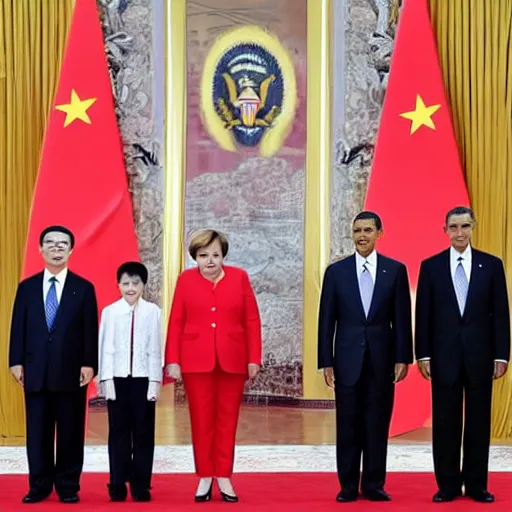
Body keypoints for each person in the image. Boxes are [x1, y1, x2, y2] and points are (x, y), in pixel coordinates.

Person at [415, 206, 510, 503]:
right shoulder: (431, 267)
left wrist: (501, 355)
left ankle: (477, 485)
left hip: (481, 357)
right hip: (443, 358)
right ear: (445, 230)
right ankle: (447, 485)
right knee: (445, 422)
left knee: (479, 422)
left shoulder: (491, 265)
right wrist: (424, 355)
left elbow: (500, 315)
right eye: (454, 227)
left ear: (473, 227)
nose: (459, 233)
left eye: (465, 226)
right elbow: (424, 315)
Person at [318, 211, 413, 503]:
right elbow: (326, 321)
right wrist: (326, 361)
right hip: (346, 361)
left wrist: (403, 358)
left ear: (379, 233)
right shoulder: (336, 272)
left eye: (368, 230)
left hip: (382, 361)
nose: (362, 236)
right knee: (347, 425)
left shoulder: (395, 270)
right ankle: (347, 486)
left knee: (376, 424)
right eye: (357, 230)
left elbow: (401, 319)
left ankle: (373, 484)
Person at [165, 229, 262, 502]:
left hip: (233, 359)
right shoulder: (185, 280)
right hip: (196, 360)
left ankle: (224, 475)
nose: (210, 261)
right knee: (202, 420)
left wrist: (253, 358)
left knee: (227, 420)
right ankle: (205, 476)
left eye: (215, 255)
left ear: (224, 256)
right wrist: (173, 360)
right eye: (203, 255)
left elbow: (252, 320)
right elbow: (176, 321)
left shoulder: (239, 278)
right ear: (195, 257)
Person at [9, 225, 98, 504]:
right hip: (35, 371)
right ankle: (39, 486)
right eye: (50, 243)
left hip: (72, 372)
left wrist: (89, 363)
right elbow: (18, 327)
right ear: (40, 249)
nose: (56, 248)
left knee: (71, 432)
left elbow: (89, 330)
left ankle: (68, 486)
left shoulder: (83, 288)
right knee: (38, 433)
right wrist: (15, 361)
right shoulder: (27, 288)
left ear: (71, 250)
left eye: (63, 244)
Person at [97, 261, 162, 502]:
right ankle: (116, 482)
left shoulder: (153, 312)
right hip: (118, 378)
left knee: (144, 432)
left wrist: (155, 380)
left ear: (144, 285)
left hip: (143, 379)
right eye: (126, 283)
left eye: (136, 283)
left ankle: (141, 484)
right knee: (118, 431)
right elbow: (104, 347)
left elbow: (156, 348)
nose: (131, 288)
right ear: (118, 285)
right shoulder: (110, 312)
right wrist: (105, 379)